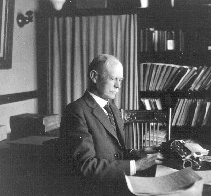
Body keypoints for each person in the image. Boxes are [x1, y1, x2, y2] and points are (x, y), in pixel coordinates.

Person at [59, 54, 164, 184]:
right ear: (94, 77)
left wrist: (138, 153)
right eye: (113, 79)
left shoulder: (113, 109)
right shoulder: (76, 111)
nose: (118, 86)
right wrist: (136, 166)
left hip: (116, 180)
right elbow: (86, 166)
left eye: (120, 80)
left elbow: (116, 153)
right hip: (97, 190)